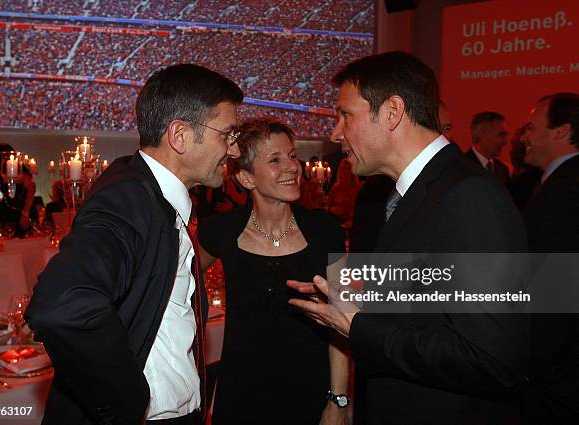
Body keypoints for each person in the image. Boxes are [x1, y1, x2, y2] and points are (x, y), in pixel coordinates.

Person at [287, 51, 528, 424]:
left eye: (345, 115)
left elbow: (493, 358)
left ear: (393, 112)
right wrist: (368, 288)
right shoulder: (415, 192)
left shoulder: (468, 195)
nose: (335, 133)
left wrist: (360, 328)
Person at [25, 64, 244, 425]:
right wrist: (131, 403)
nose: (233, 151)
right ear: (180, 135)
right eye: (227, 134)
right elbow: (61, 305)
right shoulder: (129, 197)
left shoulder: (151, 194)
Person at [198, 117, 350, 425]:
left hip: (310, 394)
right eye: (275, 160)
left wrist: (338, 399)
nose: (293, 167)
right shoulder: (221, 231)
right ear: (246, 177)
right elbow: (178, 284)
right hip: (240, 398)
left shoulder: (325, 233)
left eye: (292, 156)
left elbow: (342, 320)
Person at [520, 92, 579, 424]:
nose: (524, 136)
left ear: (561, 131)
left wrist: (532, 368)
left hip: (559, 383)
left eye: (531, 127)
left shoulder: (561, 193)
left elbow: (553, 296)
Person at [465, 111, 511, 184]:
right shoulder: (462, 166)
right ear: (481, 135)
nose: (505, 141)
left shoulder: (502, 169)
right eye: (501, 135)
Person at [327, 158, 363, 229]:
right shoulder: (335, 188)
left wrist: (353, 220)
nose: (345, 171)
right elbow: (327, 205)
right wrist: (331, 209)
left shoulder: (358, 188)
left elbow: (362, 211)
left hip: (355, 225)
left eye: (348, 168)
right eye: (343, 168)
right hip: (338, 224)